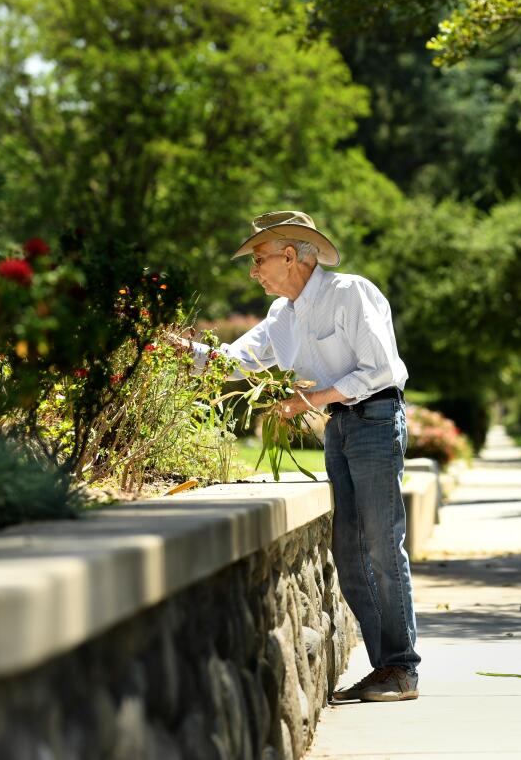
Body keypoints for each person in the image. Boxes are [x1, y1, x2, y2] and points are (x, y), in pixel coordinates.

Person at [189, 210, 420, 703]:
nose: (254, 271)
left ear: (290, 256)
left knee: (382, 543)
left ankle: (402, 669)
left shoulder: (349, 294)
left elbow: (381, 371)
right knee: (350, 554)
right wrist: (177, 351)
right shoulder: (282, 316)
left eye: (259, 258)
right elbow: (236, 360)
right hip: (342, 428)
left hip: (376, 420)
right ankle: (387, 669)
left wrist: (308, 401)